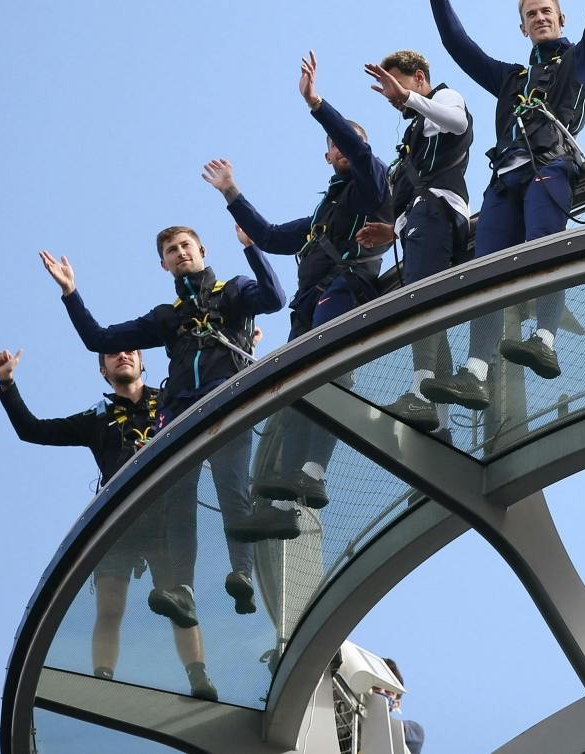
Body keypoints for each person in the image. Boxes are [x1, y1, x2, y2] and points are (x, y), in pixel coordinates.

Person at [415, 0, 585, 399]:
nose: (540, 18)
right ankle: (476, 373)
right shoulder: (510, 77)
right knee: (486, 274)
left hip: (550, 166)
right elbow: (456, 44)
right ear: (523, 28)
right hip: (504, 180)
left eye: (547, 11)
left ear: (560, 18)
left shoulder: (581, 61)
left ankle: (544, 340)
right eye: (531, 15)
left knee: (544, 249)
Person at [42, 227, 283, 623]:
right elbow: (98, 338)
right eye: (172, 250)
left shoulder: (233, 291)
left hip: (227, 398)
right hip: (183, 411)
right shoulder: (168, 316)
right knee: (177, 501)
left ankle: (242, 573)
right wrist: (70, 293)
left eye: (186, 246)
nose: (180, 252)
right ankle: (183, 590)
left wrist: (252, 248)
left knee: (232, 488)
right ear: (164, 263)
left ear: (201, 250)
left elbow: (274, 299)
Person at [202, 52, 389, 536]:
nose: (342, 149)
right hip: (310, 303)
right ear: (326, 156)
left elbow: (361, 152)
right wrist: (231, 193)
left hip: (346, 288)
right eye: (333, 145)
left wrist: (316, 104)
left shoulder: (370, 183)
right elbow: (266, 235)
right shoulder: (320, 217)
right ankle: (290, 483)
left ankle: (313, 472)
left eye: (348, 142)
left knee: (326, 371)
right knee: (297, 388)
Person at [0, 347, 218, 701]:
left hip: (166, 517)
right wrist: (7, 383)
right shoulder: (98, 418)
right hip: (120, 520)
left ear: (143, 362)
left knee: (182, 604)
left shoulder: (173, 400)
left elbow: (216, 395)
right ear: (103, 371)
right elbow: (32, 429)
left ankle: (199, 678)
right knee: (110, 607)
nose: (122, 356)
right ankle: (103, 682)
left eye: (129, 351)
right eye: (112, 355)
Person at [352, 50, 475, 431]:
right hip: (418, 221)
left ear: (419, 77)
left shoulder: (443, 98)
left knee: (420, 299)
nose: (391, 96)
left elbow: (457, 123)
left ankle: (422, 394)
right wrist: (393, 230)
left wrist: (408, 98)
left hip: (435, 210)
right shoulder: (416, 127)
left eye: (396, 85)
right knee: (423, 305)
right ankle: (437, 416)